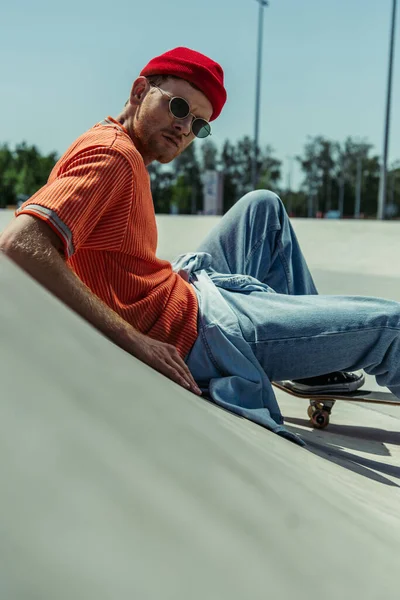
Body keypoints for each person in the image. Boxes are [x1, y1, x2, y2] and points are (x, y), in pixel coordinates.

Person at [1, 46, 400, 444]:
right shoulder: (113, 156)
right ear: (140, 91)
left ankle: (315, 368)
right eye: (178, 107)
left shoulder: (113, 142)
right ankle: (311, 352)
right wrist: (137, 341)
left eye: (199, 124)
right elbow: (20, 242)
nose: (185, 129)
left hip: (184, 290)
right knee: (392, 326)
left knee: (263, 208)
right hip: (200, 333)